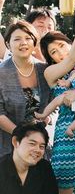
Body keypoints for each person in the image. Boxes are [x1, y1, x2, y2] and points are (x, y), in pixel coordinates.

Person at [0, 21, 51, 158]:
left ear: (34, 43)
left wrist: (47, 117)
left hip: (40, 146)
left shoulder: (45, 70)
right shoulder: (1, 73)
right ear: (8, 44)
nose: (23, 43)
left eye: (28, 38)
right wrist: (23, 136)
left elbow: (54, 101)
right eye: (17, 39)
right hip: (8, 145)